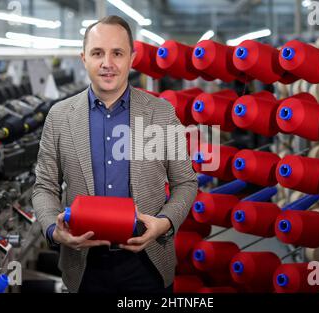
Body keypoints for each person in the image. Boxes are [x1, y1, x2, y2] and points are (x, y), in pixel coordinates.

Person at [32, 15, 198, 293]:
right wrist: (53, 229)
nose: (107, 63)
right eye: (98, 53)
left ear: (132, 58)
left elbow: (186, 182)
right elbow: (44, 187)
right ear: (83, 58)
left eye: (117, 53)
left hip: (147, 263)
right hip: (84, 266)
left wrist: (164, 224)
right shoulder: (59, 116)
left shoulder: (160, 113)